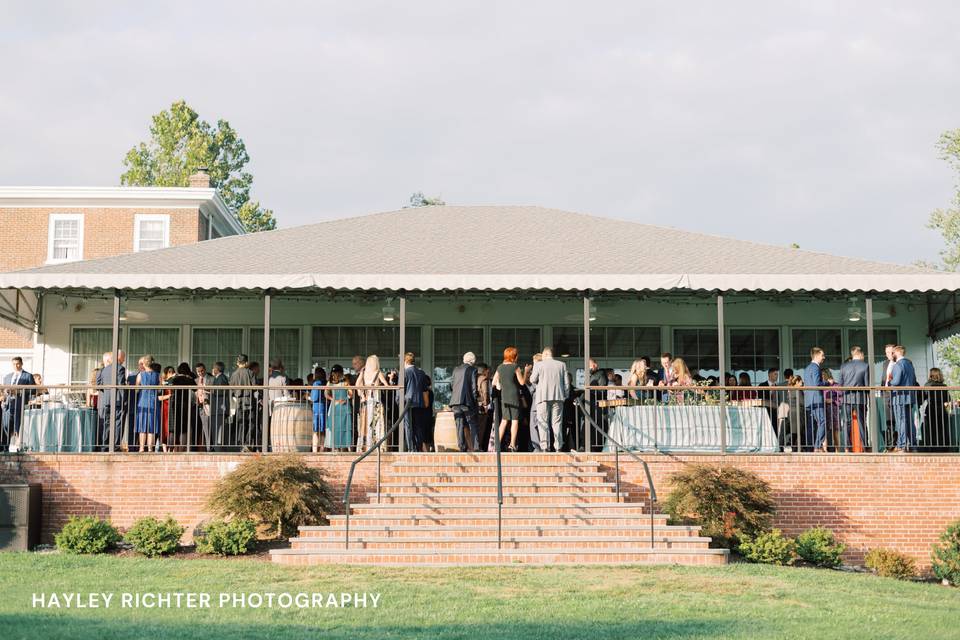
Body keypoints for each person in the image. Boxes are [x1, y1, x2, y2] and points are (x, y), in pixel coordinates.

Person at [529, 346, 570, 453]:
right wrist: (565, 395)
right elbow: (566, 383)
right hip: (558, 397)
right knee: (557, 423)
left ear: (545, 354)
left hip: (542, 397)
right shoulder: (562, 365)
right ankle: (558, 446)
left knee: (543, 422)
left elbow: (532, 379)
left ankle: (544, 447)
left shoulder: (539, 364)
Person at [493, 347, 529, 453]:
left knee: (504, 421)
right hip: (514, 396)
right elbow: (522, 382)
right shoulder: (515, 366)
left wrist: (500, 386)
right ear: (514, 356)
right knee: (514, 421)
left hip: (504, 397)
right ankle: (512, 445)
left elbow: (494, 382)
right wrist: (526, 371)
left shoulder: (500, 367)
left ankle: (497, 445)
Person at [839, 346, 869, 452]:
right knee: (862, 422)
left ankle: (847, 447)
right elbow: (867, 385)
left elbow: (841, 384)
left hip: (846, 398)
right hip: (860, 398)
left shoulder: (843, 366)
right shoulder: (865, 366)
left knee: (847, 422)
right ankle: (865, 445)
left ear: (852, 354)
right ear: (860, 354)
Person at [2, 356, 35, 450]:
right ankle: (5, 448)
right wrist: (6, 392)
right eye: (14, 364)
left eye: (18, 364)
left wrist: (19, 392)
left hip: (20, 405)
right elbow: (4, 390)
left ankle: (19, 448)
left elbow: (33, 390)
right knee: (6, 427)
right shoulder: (7, 376)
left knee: (19, 428)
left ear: (21, 364)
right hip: (8, 405)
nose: (16, 366)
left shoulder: (28, 376)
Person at [450, 352, 481, 452]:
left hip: (455, 401)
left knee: (459, 424)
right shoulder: (473, 370)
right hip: (467, 402)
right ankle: (475, 447)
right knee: (472, 424)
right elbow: (473, 388)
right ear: (473, 361)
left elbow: (451, 385)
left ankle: (462, 447)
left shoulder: (456, 369)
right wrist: (476, 400)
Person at [96, 351, 126, 451]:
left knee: (107, 424)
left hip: (106, 401)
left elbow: (98, 384)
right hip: (117, 400)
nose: (124, 360)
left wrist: (106, 393)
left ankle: (105, 446)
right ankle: (115, 447)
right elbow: (121, 385)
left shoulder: (104, 369)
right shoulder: (120, 368)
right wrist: (124, 400)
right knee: (118, 424)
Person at [357, 355, 388, 452]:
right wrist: (379, 387)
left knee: (366, 425)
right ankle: (378, 447)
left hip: (366, 403)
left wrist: (362, 393)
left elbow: (357, 385)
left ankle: (366, 446)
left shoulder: (364, 373)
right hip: (376, 403)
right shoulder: (378, 373)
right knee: (377, 424)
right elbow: (386, 386)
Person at [890, 345, 918, 452]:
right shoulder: (910, 364)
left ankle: (901, 444)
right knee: (909, 421)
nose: (892, 355)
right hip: (909, 397)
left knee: (901, 421)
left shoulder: (898, 365)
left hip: (899, 397)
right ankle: (913, 444)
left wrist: (889, 381)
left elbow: (896, 382)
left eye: (893, 353)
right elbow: (914, 380)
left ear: (897, 353)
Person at [230, 354, 258, 452]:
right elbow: (255, 388)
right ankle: (248, 444)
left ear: (238, 363)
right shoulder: (250, 372)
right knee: (251, 423)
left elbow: (232, 390)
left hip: (239, 402)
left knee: (241, 423)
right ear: (246, 363)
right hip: (249, 401)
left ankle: (240, 444)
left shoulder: (234, 374)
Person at [402, 352, 429, 452]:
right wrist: (426, 402)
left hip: (407, 403)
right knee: (418, 426)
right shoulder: (421, 373)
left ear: (405, 361)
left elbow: (401, 389)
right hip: (419, 402)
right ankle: (419, 447)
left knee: (408, 426)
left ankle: (410, 448)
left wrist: (398, 401)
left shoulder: (404, 372)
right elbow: (424, 390)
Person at [803, 347, 827, 452]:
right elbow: (817, 384)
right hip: (817, 399)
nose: (824, 358)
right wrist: (827, 383)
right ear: (817, 356)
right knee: (822, 422)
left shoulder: (807, 368)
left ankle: (810, 448)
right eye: (822, 355)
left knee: (811, 426)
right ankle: (817, 446)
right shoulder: (816, 367)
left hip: (809, 400)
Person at [134, 355, 160, 452]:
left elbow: (136, 390)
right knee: (151, 426)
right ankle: (150, 448)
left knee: (142, 426)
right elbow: (159, 390)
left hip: (143, 401)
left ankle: (141, 448)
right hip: (153, 401)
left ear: (144, 364)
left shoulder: (140, 375)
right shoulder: (158, 375)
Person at [921, 367, 950, 451]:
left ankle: (932, 449)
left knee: (931, 430)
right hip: (942, 410)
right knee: (942, 430)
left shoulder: (928, 385)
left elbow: (923, 397)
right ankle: (944, 449)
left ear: (931, 375)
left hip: (931, 410)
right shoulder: (944, 386)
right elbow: (948, 399)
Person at [325, 368, 353, 450]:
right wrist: (335, 400)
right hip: (336, 406)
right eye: (334, 374)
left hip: (343, 407)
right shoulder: (330, 383)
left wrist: (344, 399)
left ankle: (343, 448)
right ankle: (337, 448)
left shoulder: (345, 382)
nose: (335, 375)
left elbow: (351, 394)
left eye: (336, 373)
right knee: (335, 427)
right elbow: (326, 394)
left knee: (343, 427)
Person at [194, 362, 216, 452]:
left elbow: (214, 391)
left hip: (209, 405)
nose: (200, 373)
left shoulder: (211, 379)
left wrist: (205, 389)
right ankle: (208, 447)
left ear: (205, 369)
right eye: (198, 371)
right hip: (199, 406)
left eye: (202, 371)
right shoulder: (195, 380)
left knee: (211, 427)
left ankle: (210, 447)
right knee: (204, 428)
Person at [207, 362, 229, 452]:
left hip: (219, 409)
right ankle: (216, 447)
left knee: (218, 430)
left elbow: (220, 391)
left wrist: (208, 390)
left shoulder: (221, 378)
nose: (212, 369)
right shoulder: (217, 378)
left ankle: (219, 448)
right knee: (215, 430)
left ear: (217, 369)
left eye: (214, 368)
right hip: (216, 409)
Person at [879, 344, 897, 450]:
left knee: (897, 419)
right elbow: (883, 379)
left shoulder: (898, 363)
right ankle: (890, 444)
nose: (888, 355)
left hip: (895, 393)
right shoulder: (885, 363)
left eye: (889, 352)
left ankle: (896, 442)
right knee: (888, 420)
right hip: (886, 394)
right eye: (886, 353)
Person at [476, 363, 494, 452]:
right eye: (488, 371)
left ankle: (477, 446)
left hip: (475, 407)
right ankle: (481, 448)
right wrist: (486, 404)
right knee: (483, 429)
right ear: (485, 371)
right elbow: (486, 393)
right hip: (484, 408)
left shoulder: (474, 379)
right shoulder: (483, 379)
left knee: (477, 428)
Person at [822, 369, 842, 451]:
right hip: (824, 409)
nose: (822, 376)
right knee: (824, 430)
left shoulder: (836, 385)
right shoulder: (821, 385)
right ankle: (825, 450)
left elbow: (841, 398)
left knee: (835, 431)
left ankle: (838, 450)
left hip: (833, 410)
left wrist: (832, 400)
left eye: (823, 375)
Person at [158, 365, 175, 452]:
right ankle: (164, 449)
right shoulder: (163, 383)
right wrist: (168, 396)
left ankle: (171, 448)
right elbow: (158, 397)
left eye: (172, 371)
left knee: (172, 428)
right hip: (165, 407)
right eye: (169, 372)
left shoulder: (174, 382)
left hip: (173, 407)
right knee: (164, 428)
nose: (171, 373)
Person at [310, 366, 327, 452]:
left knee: (316, 430)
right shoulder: (325, 383)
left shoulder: (316, 383)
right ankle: (322, 448)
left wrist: (309, 397)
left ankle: (315, 450)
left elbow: (314, 397)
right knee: (323, 430)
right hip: (324, 407)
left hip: (317, 408)